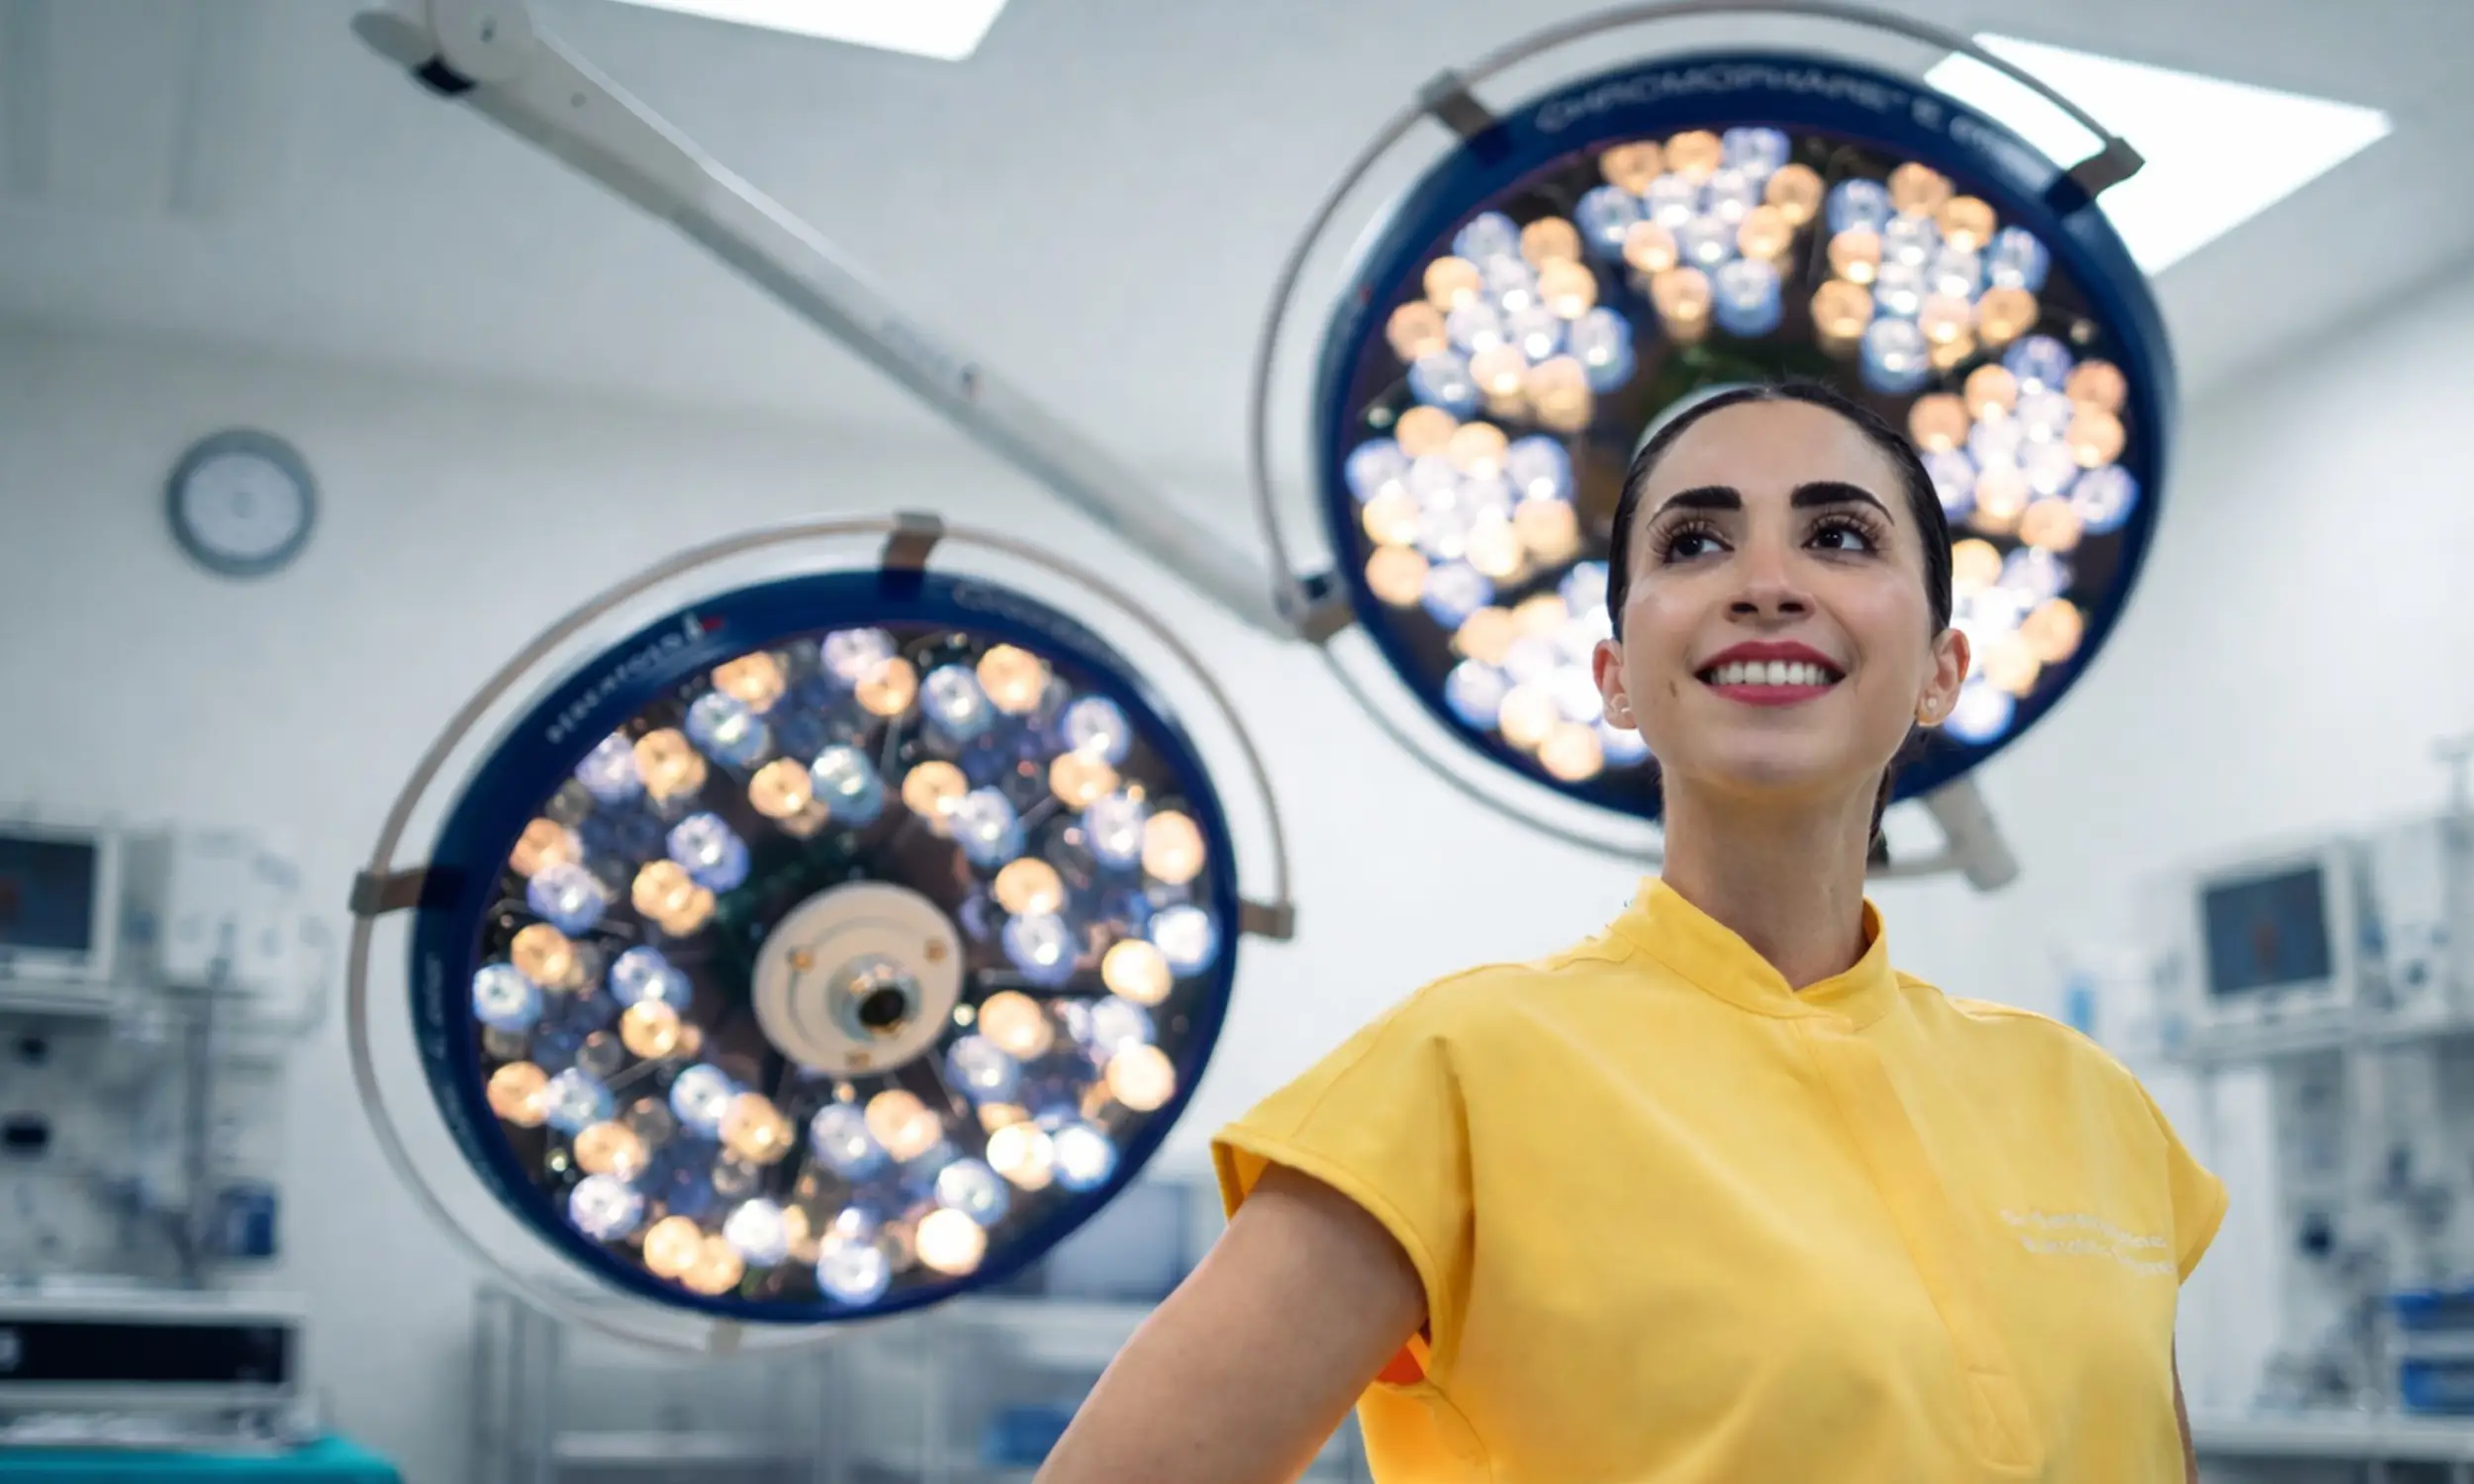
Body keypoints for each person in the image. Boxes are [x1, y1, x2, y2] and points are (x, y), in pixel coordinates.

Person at [1035, 380, 2226, 1484]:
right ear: (1613, 677)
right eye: (1693, 543)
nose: (1766, 582)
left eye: (1841, 536)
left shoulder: (2092, 1107)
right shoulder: (1461, 1076)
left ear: (1941, 670)